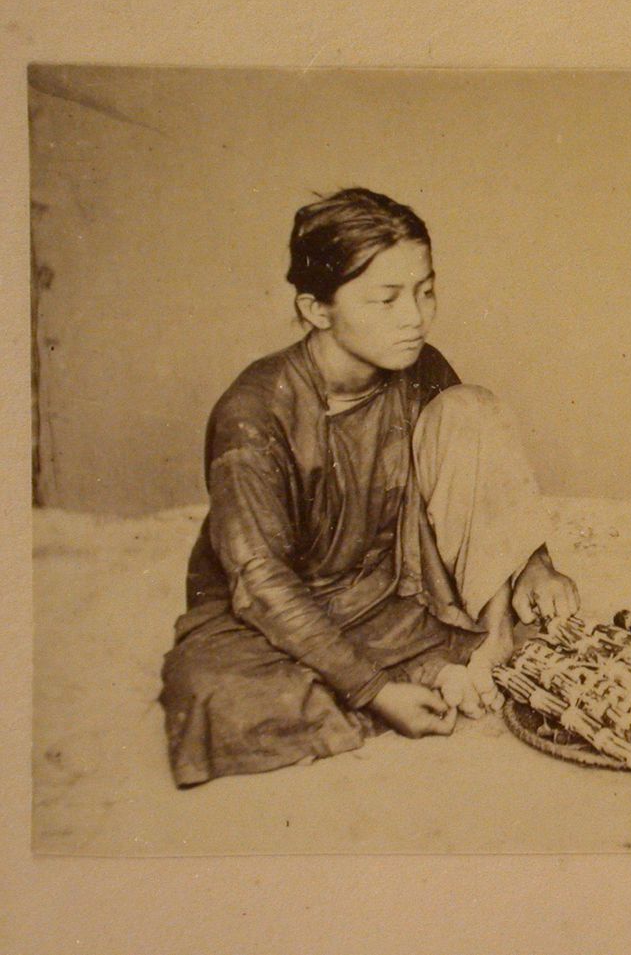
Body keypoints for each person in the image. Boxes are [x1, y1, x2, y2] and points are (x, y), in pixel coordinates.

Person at [159, 188, 580, 786]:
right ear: (315, 309)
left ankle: (484, 642)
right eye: (386, 299)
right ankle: (408, 676)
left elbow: (483, 470)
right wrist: (377, 691)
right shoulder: (254, 412)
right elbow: (259, 581)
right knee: (212, 696)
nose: (415, 316)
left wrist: (532, 562)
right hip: (280, 609)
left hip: (396, 589)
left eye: (425, 290)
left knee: (471, 407)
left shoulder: (418, 366)